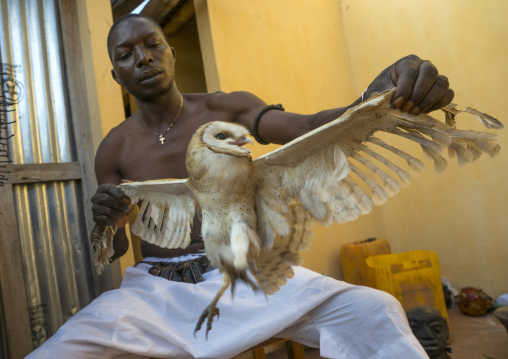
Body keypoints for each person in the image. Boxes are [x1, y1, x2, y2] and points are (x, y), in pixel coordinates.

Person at [28, 14, 454, 358]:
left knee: (373, 309)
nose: (142, 58)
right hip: (154, 293)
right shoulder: (113, 147)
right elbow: (116, 249)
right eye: (126, 54)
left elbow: (305, 128)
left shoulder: (225, 108)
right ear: (115, 73)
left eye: (152, 45)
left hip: (243, 277)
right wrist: (109, 221)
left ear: (171, 54)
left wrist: (375, 97)